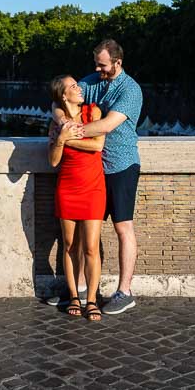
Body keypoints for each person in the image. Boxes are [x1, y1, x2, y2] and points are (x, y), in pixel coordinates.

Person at [57, 39, 142, 315]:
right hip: (93, 172)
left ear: (118, 63)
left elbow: (106, 125)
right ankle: (79, 290)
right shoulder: (93, 80)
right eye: (97, 63)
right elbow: (59, 99)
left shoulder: (131, 90)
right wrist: (62, 121)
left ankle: (124, 291)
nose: (97, 68)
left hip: (120, 166)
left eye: (103, 65)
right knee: (83, 235)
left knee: (122, 227)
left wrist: (70, 134)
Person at [47, 75, 106, 321]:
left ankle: (91, 300)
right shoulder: (56, 123)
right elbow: (53, 160)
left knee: (91, 247)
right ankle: (74, 295)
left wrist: (69, 136)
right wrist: (61, 138)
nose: (78, 88)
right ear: (63, 95)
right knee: (70, 245)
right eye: (73, 86)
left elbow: (97, 146)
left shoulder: (94, 111)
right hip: (68, 188)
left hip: (93, 188)